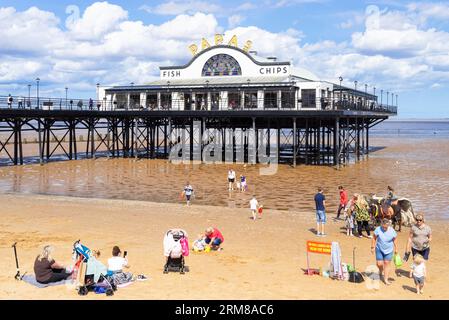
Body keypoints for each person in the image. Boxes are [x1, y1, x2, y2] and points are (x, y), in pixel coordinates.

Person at [371, 218, 398, 285]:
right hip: (379, 248)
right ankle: (380, 271)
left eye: (386, 227)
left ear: (388, 225)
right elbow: (374, 238)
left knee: (387, 263)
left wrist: (396, 248)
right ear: (381, 225)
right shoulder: (378, 229)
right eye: (383, 227)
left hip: (389, 250)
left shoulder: (392, 231)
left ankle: (386, 279)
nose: (384, 228)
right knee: (379, 264)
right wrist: (372, 247)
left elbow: (395, 239)